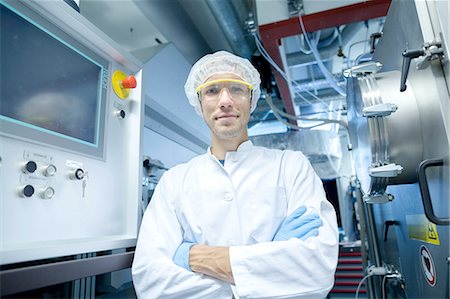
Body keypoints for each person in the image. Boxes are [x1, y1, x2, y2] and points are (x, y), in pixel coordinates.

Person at [132, 51, 339, 298]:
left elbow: (316, 270)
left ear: (251, 100)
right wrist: (268, 263)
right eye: (212, 90)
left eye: (237, 89)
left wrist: (195, 257)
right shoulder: (174, 181)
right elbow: (151, 282)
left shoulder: (291, 167)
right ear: (199, 102)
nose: (225, 100)